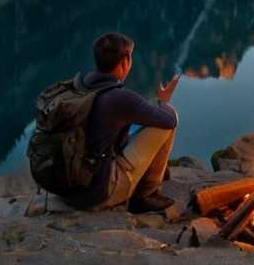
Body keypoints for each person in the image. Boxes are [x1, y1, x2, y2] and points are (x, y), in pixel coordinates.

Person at [62, 32, 180, 213]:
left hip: (70, 189)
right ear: (125, 62)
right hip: (99, 194)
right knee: (168, 117)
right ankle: (145, 195)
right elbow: (169, 121)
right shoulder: (119, 98)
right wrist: (163, 102)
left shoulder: (82, 85)